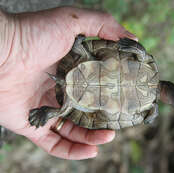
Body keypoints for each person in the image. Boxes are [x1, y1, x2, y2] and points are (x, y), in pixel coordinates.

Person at [0, 7, 137, 160]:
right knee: (69, 104)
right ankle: (49, 112)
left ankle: (48, 111)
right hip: (80, 84)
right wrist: (13, 40)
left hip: (77, 85)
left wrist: (14, 39)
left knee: (67, 106)